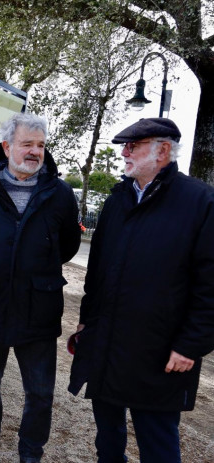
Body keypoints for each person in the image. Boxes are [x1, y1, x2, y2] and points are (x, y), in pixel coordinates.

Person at [68, 118, 214, 463]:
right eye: (125, 146)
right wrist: (86, 321)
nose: (124, 153)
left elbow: (210, 286)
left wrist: (190, 345)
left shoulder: (199, 201)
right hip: (108, 342)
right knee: (108, 435)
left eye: (133, 146)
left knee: (157, 440)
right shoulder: (119, 198)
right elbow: (98, 271)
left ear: (163, 150)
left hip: (160, 351)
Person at [0, 113, 81, 463]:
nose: (35, 152)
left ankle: (31, 449)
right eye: (27, 144)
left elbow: (68, 245)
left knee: (39, 391)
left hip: (38, 306)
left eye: (40, 145)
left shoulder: (60, 194)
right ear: (7, 146)